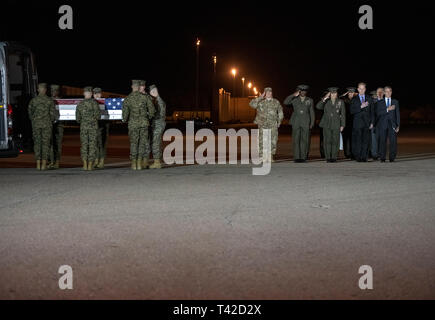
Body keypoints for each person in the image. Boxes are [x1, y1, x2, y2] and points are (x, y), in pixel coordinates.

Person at [122, 80, 155, 170]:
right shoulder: (145, 97)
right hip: (144, 123)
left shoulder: (127, 99)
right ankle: (139, 164)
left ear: (132, 87)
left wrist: (125, 119)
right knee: (142, 143)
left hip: (133, 124)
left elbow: (124, 116)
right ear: (139, 87)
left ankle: (134, 164)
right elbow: (152, 111)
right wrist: (147, 117)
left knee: (133, 143)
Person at [249, 87, 283, 162]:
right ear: (264, 93)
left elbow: (280, 111)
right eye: (267, 92)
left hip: (273, 123)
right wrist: (260, 97)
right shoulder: (261, 102)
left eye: (270, 92)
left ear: (272, 93)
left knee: (273, 139)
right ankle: (262, 156)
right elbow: (251, 104)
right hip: (262, 123)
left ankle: (270, 156)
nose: (269, 94)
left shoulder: (275, 102)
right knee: (262, 140)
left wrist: (279, 121)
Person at [284, 85, 315, 162]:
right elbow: (285, 102)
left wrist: (312, 123)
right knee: (296, 140)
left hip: (306, 122)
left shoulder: (310, 100)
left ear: (306, 92)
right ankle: (297, 157)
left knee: (305, 140)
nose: (303, 92)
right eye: (301, 91)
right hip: (296, 122)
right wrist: (293, 95)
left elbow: (312, 112)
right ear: (299, 91)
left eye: (305, 91)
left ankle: (303, 157)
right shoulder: (294, 99)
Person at [28, 83, 55, 170]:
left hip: (36, 124)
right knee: (46, 144)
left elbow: (30, 114)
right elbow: (53, 115)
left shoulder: (33, 101)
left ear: (38, 90)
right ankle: (44, 164)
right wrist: (49, 121)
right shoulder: (49, 100)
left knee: (37, 143)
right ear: (45, 90)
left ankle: (38, 164)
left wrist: (35, 120)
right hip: (47, 125)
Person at [316, 87, 346, 162]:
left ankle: (334, 157)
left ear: (337, 94)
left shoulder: (340, 102)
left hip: (336, 123)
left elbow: (343, 114)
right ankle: (328, 157)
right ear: (329, 94)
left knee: (335, 141)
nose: (333, 95)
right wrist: (325, 98)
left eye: (335, 93)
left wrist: (342, 125)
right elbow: (318, 106)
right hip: (326, 123)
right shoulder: (326, 101)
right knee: (327, 141)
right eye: (332, 93)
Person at [75, 86, 101, 171]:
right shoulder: (95, 103)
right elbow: (98, 116)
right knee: (92, 145)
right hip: (93, 127)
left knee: (84, 145)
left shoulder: (80, 104)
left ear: (84, 93)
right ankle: (90, 165)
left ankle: (85, 164)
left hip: (83, 127)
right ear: (91, 94)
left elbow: (77, 119)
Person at [350, 82, 374, 162]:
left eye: (363, 88)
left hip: (367, 123)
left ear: (365, 89)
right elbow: (351, 111)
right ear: (358, 89)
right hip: (358, 123)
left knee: (366, 141)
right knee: (358, 141)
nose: (362, 90)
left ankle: (364, 157)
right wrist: (360, 107)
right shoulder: (354, 99)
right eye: (360, 88)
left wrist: (372, 122)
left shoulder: (369, 98)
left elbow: (372, 112)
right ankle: (358, 157)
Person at [375, 86, 400, 162]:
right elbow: (378, 113)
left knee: (393, 141)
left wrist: (398, 125)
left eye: (390, 91)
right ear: (384, 92)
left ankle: (392, 157)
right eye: (386, 91)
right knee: (382, 141)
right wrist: (387, 109)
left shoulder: (395, 102)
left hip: (392, 124)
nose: (388, 93)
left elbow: (397, 114)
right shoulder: (379, 102)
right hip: (382, 124)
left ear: (391, 92)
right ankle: (382, 157)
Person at [148, 84, 166, 169]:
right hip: (157, 124)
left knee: (156, 143)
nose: (151, 93)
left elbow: (160, 114)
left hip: (158, 124)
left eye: (153, 91)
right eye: (151, 92)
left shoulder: (159, 101)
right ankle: (157, 161)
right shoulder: (156, 100)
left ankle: (157, 162)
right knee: (156, 142)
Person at [93, 87, 109, 169]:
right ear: (93, 95)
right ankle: (96, 160)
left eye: (98, 93)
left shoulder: (105, 103)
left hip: (102, 126)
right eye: (95, 93)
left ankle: (101, 161)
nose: (97, 95)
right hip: (94, 127)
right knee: (95, 144)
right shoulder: (91, 103)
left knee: (101, 144)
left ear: (101, 94)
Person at [48, 84, 63, 169]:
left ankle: (56, 161)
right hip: (49, 125)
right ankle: (50, 161)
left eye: (55, 91)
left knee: (57, 144)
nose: (54, 92)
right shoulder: (48, 100)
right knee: (49, 143)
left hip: (59, 125)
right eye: (52, 91)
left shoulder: (61, 101)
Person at [369, 88, 384, 160]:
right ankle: (376, 154)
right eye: (374, 96)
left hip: (375, 124)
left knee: (374, 140)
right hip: (375, 124)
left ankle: (375, 154)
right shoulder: (374, 103)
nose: (374, 97)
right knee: (375, 140)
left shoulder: (373, 103)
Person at [341, 87, 357, 159]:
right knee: (346, 139)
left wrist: (358, 94)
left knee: (353, 139)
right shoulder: (344, 100)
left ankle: (353, 153)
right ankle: (347, 153)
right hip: (346, 122)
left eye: (352, 92)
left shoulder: (356, 100)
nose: (351, 94)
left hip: (354, 122)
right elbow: (339, 98)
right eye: (349, 92)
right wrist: (344, 94)